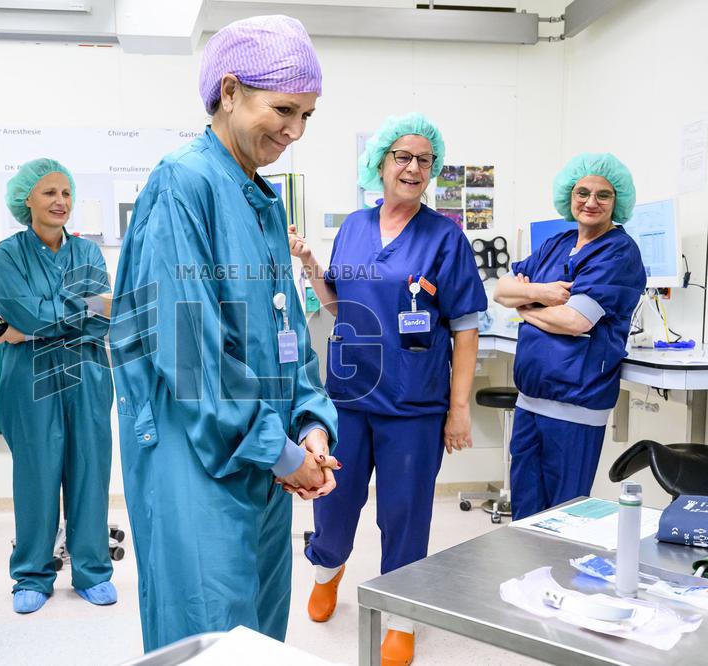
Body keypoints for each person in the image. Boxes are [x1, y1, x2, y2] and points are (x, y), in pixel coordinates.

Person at [110, 15, 338, 653]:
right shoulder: (183, 184)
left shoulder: (259, 199)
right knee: (208, 636)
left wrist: (310, 425)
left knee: (258, 636)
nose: (294, 131)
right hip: (199, 461)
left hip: (264, 457)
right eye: (284, 109)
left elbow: (286, 330)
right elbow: (187, 356)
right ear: (230, 91)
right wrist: (287, 455)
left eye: (307, 116)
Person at [291, 112, 487, 666]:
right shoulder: (354, 225)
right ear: (379, 164)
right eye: (402, 156)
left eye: (424, 160)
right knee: (333, 501)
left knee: (406, 513)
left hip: (414, 403)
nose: (413, 166)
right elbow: (338, 307)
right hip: (348, 395)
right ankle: (328, 570)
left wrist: (458, 411)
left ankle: (401, 613)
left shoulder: (446, 236)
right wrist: (311, 266)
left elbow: (467, 327)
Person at [0, 158, 116, 614]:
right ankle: (31, 574)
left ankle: (93, 571)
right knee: (36, 476)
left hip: (86, 375)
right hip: (30, 380)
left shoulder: (87, 254)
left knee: (90, 473)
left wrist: (38, 321)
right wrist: (54, 315)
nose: (61, 201)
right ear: (27, 199)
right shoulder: (7, 255)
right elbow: (23, 313)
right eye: (50, 193)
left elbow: (103, 315)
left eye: (66, 194)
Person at [493, 153, 644, 520]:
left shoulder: (619, 252)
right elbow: (501, 290)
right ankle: (528, 579)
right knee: (525, 515)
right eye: (582, 192)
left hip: (575, 407)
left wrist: (526, 309)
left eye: (603, 195)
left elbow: (576, 320)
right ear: (569, 196)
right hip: (530, 401)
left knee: (563, 517)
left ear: (617, 202)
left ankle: (560, 579)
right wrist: (542, 295)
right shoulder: (556, 244)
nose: (590, 202)